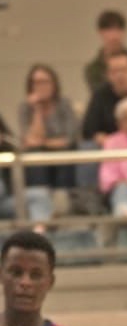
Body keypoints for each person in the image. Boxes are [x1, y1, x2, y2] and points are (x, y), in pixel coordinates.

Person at [17, 64, 81, 229]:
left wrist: (43, 142)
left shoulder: (64, 104)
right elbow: (29, 140)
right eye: (36, 82)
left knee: (61, 152)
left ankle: (60, 202)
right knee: (34, 154)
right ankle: (41, 203)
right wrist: (37, 110)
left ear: (54, 84)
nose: (41, 86)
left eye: (45, 82)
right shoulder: (25, 108)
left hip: (63, 156)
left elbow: (69, 138)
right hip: (39, 161)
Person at [84, 11, 127, 94]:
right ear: (100, 32)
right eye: (109, 30)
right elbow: (98, 94)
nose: (114, 35)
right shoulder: (93, 69)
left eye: (118, 30)